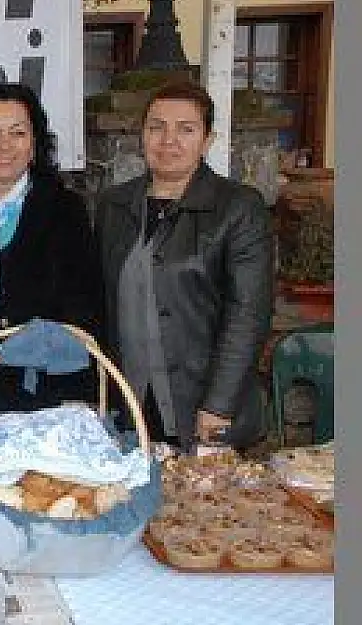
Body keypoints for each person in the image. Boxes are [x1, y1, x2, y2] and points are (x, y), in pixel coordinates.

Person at [93, 82, 273, 451]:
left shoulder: (237, 208)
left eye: (186, 129)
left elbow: (248, 314)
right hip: (131, 402)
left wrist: (219, 404)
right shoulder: (115, 206)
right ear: (142, 135)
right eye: (156, 127)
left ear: (207, 140)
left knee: (203, 506)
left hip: (203, 408)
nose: (168, 140)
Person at [0, 82, 105, 413]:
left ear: (34, 145)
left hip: (41, 385)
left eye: (18, 133)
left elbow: (84, 305)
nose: (4, 145)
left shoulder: (64, 208)